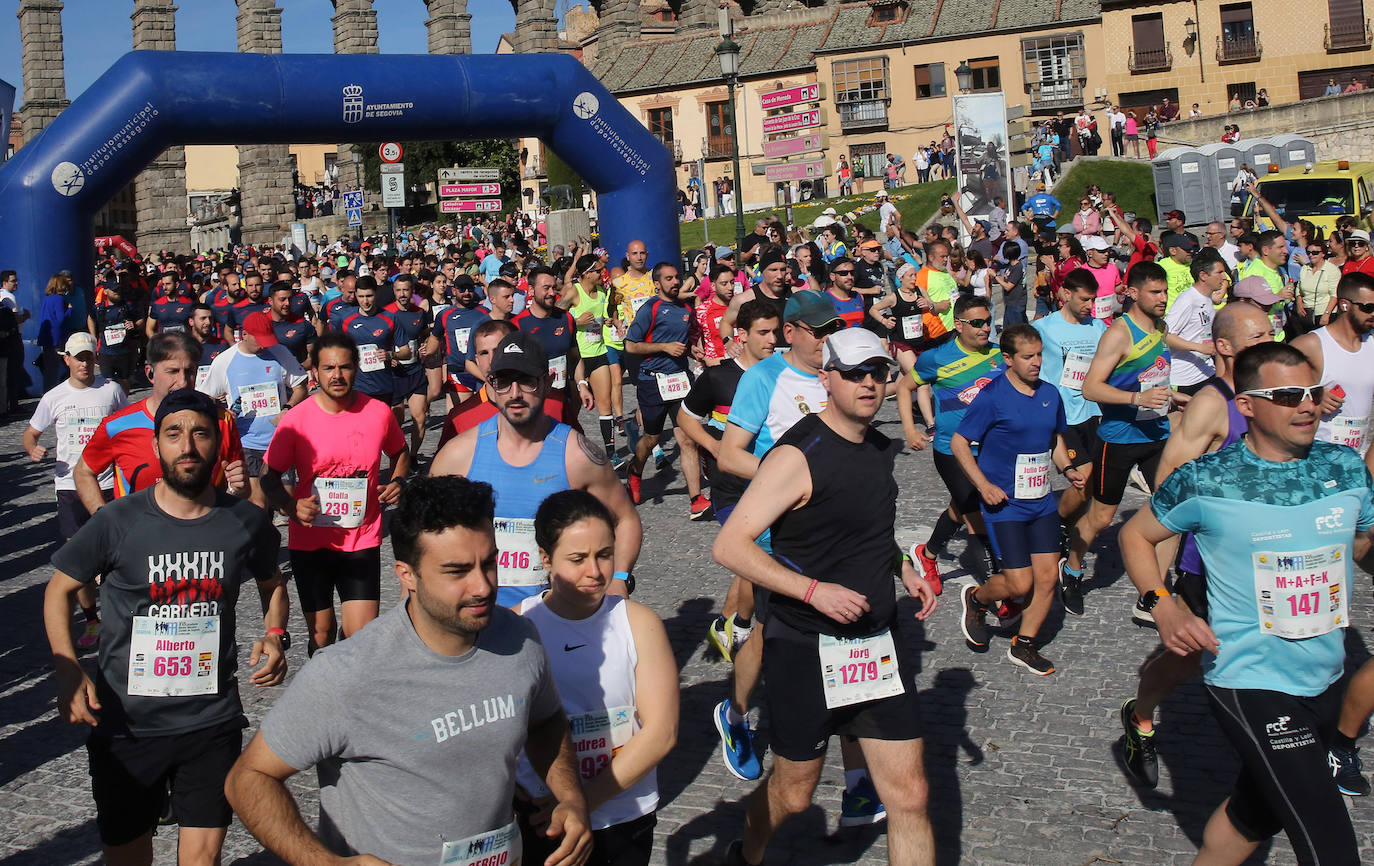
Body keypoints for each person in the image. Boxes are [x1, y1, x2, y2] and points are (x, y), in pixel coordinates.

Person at [225, 475, 594, 866]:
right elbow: (248, 779)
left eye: (489, 563)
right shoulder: (348, 673)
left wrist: (569, 795)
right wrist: (327, 863)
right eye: (456, 571)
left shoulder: (520, 639)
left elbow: (546, 722)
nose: (483, 586)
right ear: (406, 575)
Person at [1118, 342, 1374, 865]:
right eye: (1287, 395)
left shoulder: (1345, 467)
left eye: (1312, 392)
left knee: (1253, 816)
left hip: (1325, 675)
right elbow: (1135, 537)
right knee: (1330, 841)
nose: (1306, 405)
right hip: (1249, 677)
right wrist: (1163, 603)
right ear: (1247, 404)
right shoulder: (1206, 478)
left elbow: (1364, 548)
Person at [714, 327, 939, 866]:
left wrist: (902, 565)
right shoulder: (797, 454)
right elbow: (731, 546)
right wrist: (813, 591)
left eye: (878, 373)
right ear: (826, 377)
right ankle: (746, 853)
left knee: (910, 796)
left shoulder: (879, 448)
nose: (869, 383)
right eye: (855, 373)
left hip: (875, 645)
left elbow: (865, 527)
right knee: (794, 795)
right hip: (806, 646)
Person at [44, 387, 288, 866]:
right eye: (174, 434)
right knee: (128, 857)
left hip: (211, 721)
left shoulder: (244, 521)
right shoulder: (117, 521)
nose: (188, 446)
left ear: (219, 445)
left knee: (202, 859)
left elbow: (271, 579)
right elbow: (57, 590)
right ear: (157, 446)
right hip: (128, 727)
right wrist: (67, 668)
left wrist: (275, 635)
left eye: (200, 434)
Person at [1118, 301, 1275, 788]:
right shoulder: (1213, 402)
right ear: (1224, 347)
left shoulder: (1279, 392)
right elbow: (1168, 486)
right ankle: (1140, 715)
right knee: (1190, 657)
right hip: (1211, 563)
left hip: (1272, 556)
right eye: (1258, 337)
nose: (1270, 342)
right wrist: (1158, 587)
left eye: (1273, 331)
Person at [513, 490, 677, 866]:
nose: (596, 571)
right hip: (542, 820)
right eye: (578, 559)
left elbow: (660, 732)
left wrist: (577, 803)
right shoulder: (518, 627)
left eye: (604, 555)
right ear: (545, 558)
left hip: (623, 816)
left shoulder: (639, 623)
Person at [431, 330, 642, 608]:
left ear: (547, 383)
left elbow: (626, 520)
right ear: (492, 385)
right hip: (479, 620)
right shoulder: (458, 455)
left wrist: (618, 578)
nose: (515, 393)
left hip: (555, 620)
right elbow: (423, 534)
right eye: (504, 382)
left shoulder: (577, 455)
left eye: (527, 382)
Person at [259, 332, 409, 656]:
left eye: (344, 367)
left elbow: (400, 451)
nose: (336, 376)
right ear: (315, 372)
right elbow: (267, 476)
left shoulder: (378, 412)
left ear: (356, 368)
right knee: (321, 635)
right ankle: (323, 689)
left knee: (361, 636)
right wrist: (289, 506)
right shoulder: (297, 420)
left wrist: (398, 481)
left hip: (361, 539)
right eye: (328, 368)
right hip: (310, 542)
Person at [952, 324, 1080, 674]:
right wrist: (983, 486)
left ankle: (1024, 644)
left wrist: (1067, 470)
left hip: (1041, 502)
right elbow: (959, 443)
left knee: (1048, 577)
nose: (1037, 362)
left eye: (1039, 355)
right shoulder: (993, 396)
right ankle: (977, 599)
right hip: (1004, 503)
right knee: (1019, 583)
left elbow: (1053, 439)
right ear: (1007, 359)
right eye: (1028, 357)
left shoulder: (1050, 394)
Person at [1061, 262, 1183, 614]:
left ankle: (1154, 595)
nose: (1163, 299)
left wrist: (1173, 395)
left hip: (1157, 433)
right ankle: (1071, 567)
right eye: (1155, 292)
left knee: (1170, 512)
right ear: (1132, 293)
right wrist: (1137, 400)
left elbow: (1150, 376)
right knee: (1101, 517)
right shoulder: (1119, 333)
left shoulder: (1160, 328)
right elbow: (1090, 387)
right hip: (1119, 438)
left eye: (1165, 291)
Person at [680, 299, 779, 661]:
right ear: (742, 335)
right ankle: (740, 626)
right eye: (763, 333)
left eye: (775, 331)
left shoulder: (783, 374)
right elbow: (686, 417)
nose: (772, 339)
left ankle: (727, 623)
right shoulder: (718, 377)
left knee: (759, 560)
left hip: (773, 487)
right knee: (756, 555)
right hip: (731, 489)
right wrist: (715, 446)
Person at [25, 332, 127, 649]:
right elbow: (30, 434)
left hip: (107, 483)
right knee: (80, 559)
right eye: (78, 358)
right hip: (69, 485)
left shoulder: (111, 391)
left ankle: (118, 615)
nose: (84, 363)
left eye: (88, 357)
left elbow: (126, 425)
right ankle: (92, 620)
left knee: (114, 554)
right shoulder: (53, 397)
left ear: (95, 358)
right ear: (66, 360)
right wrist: (33, 449)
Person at [74, 331, 245, 507]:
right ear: (150, 373)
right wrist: (106, 522)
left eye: (190, 371)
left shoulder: (221, 421)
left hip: (204, 530)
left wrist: (238, 489)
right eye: (172, 371)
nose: (183, 382)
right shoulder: (117, 425)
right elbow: (83, 472)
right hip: (140, 532)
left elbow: (239, 485)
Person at [906, 295, 1007, 587]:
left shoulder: (1000, 355)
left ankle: (927, 554)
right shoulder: (936, 357)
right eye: (977, 323)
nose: (985, 328)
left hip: (989, 449)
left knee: (961, 507)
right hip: (950, 450)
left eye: (988, 322)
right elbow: (904, 387)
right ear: (959, 325)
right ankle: (996, 593)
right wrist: (912, 430)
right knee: (976, 516)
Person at [197, 311, 308, 509]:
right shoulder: (225, 361)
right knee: (258, 504)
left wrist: (288, 407)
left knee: (285, 504)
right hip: (246, 442)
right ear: (244, 334)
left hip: (279, 440)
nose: (265, 345)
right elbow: (204, 399)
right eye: (260, 340)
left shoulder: (279, 352)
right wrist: (223, 414)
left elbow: (301, 386)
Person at [1033, 269, 1109, 543]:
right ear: (1066, 294)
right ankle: (1057, 527)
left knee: (1093, 485)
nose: (1090, 306)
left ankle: (1067, 530)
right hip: (1064, 415)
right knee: (1084, 479)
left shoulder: (1099, 328)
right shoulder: (1044, 328)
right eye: (1085, 299)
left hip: (1095, 413)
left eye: (1094, 300)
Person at [623, 262, 702, 507]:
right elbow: (630, 345)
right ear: (657, 283)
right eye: (668, 278)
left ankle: (697, 499)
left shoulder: (685, 308)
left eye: (677, 277)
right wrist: (663, 347)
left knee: (688, 439)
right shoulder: (651, 309)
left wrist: (694, 351)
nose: (675, 282)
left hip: (680, 380)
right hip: (653, 382)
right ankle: (635, 472)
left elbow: (684, 342)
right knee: (651, 439)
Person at [384, 273, 434, 457]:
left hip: (415, 371)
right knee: (397, 421)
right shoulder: (386, 313)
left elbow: (423, 334)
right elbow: (379, 338)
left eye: (406, 290)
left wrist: (424, 344)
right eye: (398, 290)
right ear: (394, 291)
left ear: (412, 291)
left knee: (420, 418)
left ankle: (412, 456)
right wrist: (390, 356)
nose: (402, 294)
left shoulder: (418, 312)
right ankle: (399, 455)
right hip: (395, 374)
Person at [1164, 257, 1226, 394]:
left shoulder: (1207, 298)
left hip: (1206, 370)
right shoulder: (1187, 300)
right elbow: (1166, 335)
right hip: (1185, 379)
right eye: (1219, 272)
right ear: (1203, 275)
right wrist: (1199, 347)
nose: (1224, 277)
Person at [89, 278, 140, 393]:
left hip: (124, 351)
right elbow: (90, 318)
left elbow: (141, 319)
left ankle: (125, 404)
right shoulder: (99, 307)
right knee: (107, 382)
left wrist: (134, 324)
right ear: (106, 292)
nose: (117, 293)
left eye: (119, 290)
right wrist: (93, 337)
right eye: (114, 291)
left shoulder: (127, 306)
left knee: (124, 380)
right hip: (106, 351)